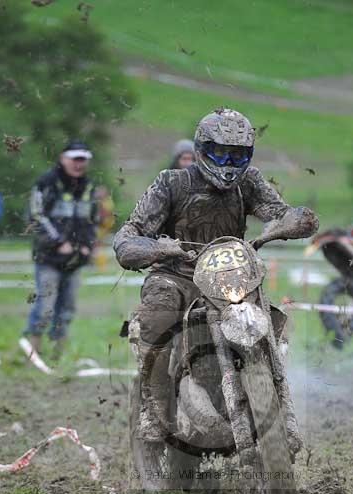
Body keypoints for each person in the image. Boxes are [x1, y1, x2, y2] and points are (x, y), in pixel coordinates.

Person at [113, 107, 318, 445]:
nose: (227, 163)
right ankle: (154, 407)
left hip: (232, 277)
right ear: (201, 148)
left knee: (273, 323)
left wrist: (284, 226)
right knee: (159, 309)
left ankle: (277, 404)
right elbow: (128, 234)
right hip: (177, 274)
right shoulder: (172, 182)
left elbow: (282, 213)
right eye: (220, 152)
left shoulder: (249, 182)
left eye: (237, 155)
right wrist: (160, 249)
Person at [24, 139, 98, 359]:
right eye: (75, 159)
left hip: (76, 258)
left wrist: (87, 246)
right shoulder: (46, 182)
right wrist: (59, 242)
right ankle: (33, 354)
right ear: (63, 159)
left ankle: (57, 356)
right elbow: (35, 216)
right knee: (45, 306)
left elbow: (92, 219)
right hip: (48, 257)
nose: (79, 164)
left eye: (83, 159)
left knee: (67, 308)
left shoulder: (89, 186)